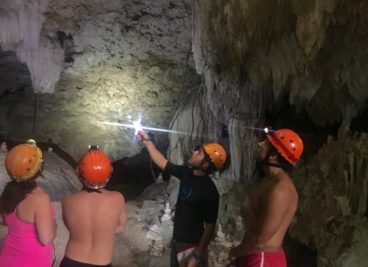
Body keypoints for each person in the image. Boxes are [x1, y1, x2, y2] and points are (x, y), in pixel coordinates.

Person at [137, 130, 227, 267]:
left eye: (199, 153)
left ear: (205, 165)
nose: (194, 152)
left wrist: (197, 254)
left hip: (192, 246)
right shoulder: (186, 173)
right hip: (177, 240)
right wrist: (147, 142)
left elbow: (210, 226)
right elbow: (162, 162)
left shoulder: (209, 191)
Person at [228, 128, 304, 267]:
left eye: (266, 143)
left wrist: (235, 252)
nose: (259, 144)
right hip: (255, 256)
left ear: (274, 154)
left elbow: (259, 240)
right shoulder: (269, 182)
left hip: (263, 259)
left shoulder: (281, 190)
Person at [61, 145, 126, 267]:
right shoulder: (117, 198)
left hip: (71, 261)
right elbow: (121, 228)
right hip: (101, 262)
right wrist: (104, 230)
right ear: (108, 174)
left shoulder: (68, 200)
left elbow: (71, 227)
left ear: (78, 172)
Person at [0, 139, 56, 267]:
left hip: (7, 259)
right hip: (32, 261)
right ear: (39, 168)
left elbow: (3, 219)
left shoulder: (8, 192)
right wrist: (53, 223)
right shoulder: (40, 198)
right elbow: (46, 239)